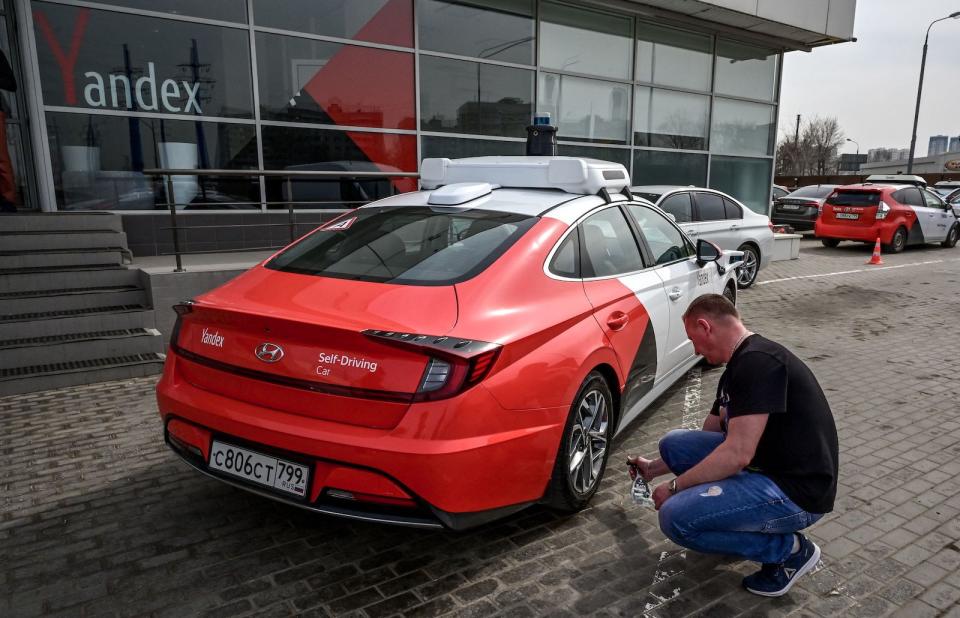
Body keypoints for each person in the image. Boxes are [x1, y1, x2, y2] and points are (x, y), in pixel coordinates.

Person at [627, 293, 838, 597]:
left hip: (798, 491)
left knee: (675, 518)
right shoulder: (736, 369)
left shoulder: (758, 363)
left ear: (705, 325)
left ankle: (789, 551)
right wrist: (653, 468)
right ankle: (732, 522)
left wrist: (674, 487)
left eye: (693, 338)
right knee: (674, 444)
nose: (695, 349)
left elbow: (737, 453)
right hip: (767, 469)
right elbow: (710, 436)